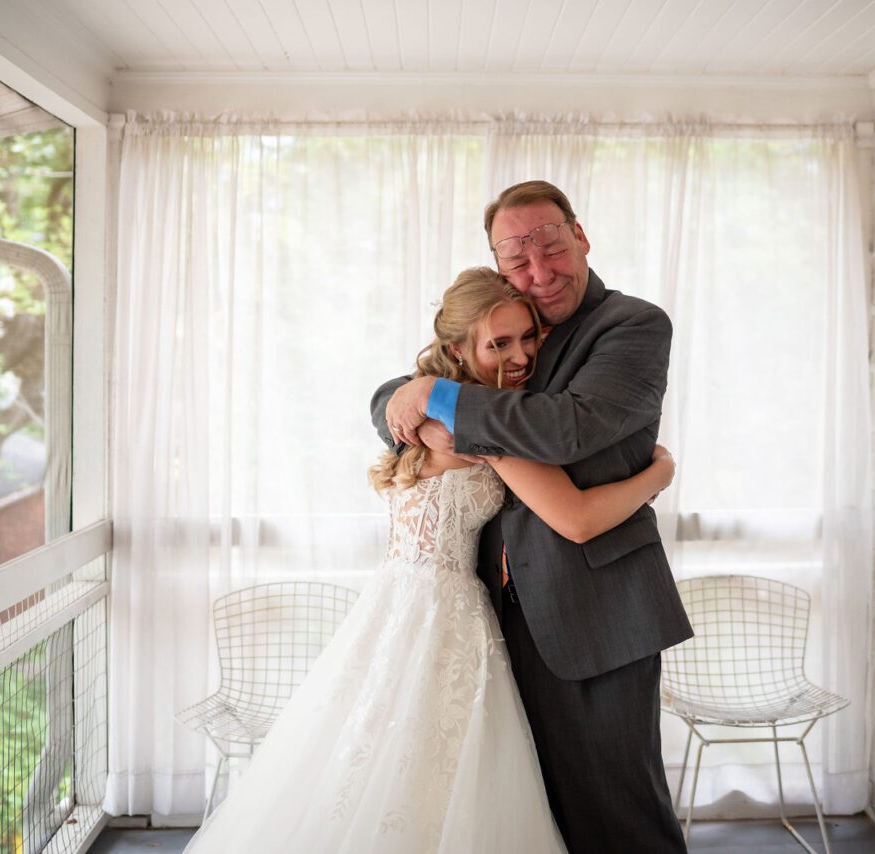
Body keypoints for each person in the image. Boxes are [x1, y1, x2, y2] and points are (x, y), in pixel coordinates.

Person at [183, 268, 676, 853]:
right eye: (500, 344)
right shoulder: (475, 432)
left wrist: (426, 394)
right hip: (444, 617)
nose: (520, 357)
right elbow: (577, 519)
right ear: (458, 350)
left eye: (529, 338)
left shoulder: (432, 419)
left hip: (397, 603)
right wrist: (658, 474)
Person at [375, 180, 692, 854]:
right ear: (498, 266)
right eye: (518, 260)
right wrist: (423, 405)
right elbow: (390, 396)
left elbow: (566, 429)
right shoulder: (506, 321)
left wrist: (440, 400)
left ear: (582, 237)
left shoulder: (633, 326)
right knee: (528, 815)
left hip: (597, 613)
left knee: (619, 814)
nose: (540, 272)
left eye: (552, 247)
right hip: (492, 618)